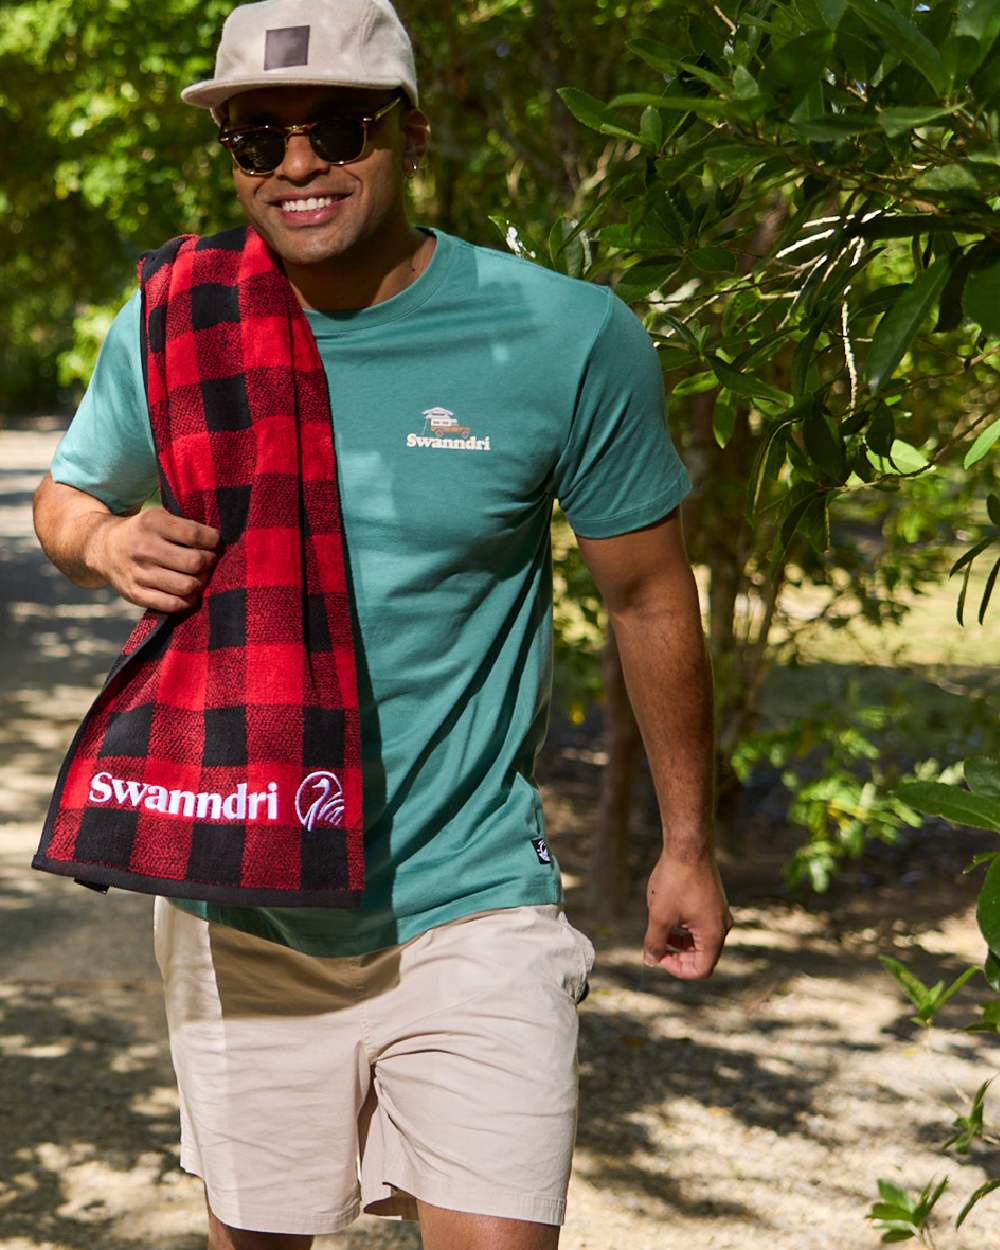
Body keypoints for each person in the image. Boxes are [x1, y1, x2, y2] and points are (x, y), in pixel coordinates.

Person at [32, 0, 733, 1246]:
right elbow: (67, 498)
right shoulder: (177, 319)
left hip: (470, 896)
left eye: (338, 127)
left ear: (409, 131)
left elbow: (646, 592)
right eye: (260, 137)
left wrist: (687, 840)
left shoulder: (563, 334)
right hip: (241, 894)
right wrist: (103, 541)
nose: (298, 163)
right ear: (233, 154)